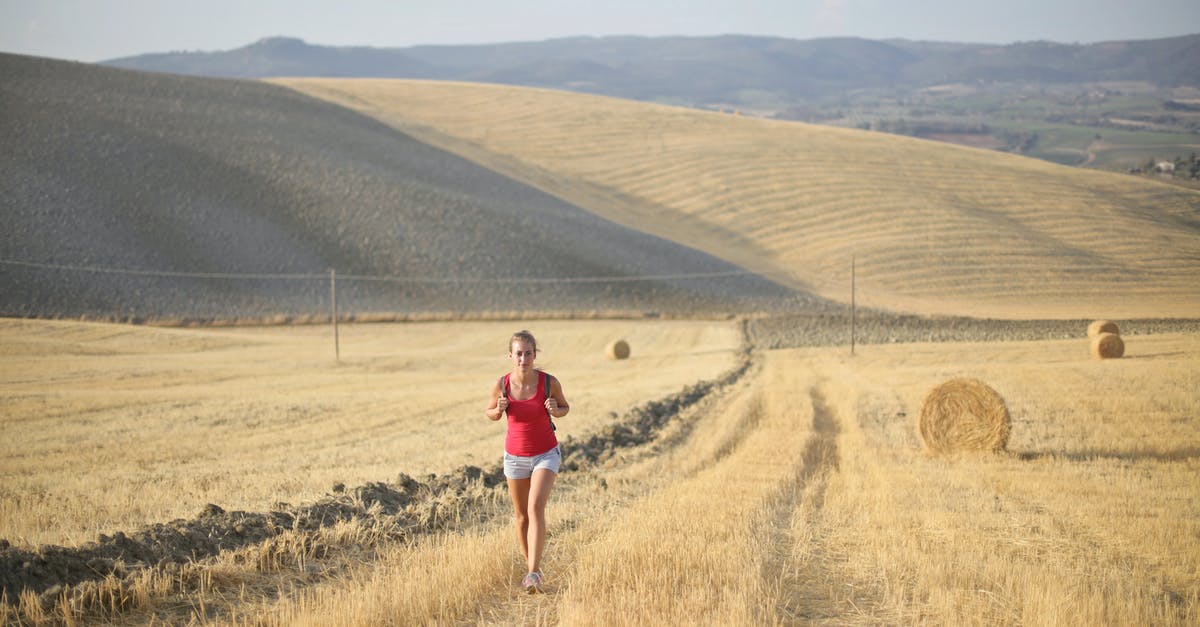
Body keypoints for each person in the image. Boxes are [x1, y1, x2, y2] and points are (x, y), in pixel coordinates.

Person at [485, 330, 569, 594]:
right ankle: (531, 568)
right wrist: (498, 410)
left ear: (535, 355)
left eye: (528, 353)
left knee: (535, 508)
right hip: (515, 458)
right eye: (519, 353)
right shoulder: (502, 385)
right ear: (511, 356)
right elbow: (490, 412)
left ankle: (533, 573)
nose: (524, 358)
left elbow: (565, 407)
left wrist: (557, 410)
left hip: (546, 453)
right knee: (521, 517)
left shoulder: (548, 382)